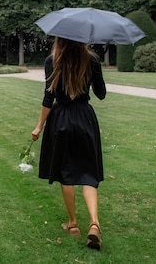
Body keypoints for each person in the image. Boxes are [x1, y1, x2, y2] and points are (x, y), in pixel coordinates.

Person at [31, 37, 107, 250]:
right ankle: (94, 222)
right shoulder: (92, 60)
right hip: (85, 118)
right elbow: (101, 94)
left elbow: (49, 97)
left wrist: (38, 126)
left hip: (61, 119)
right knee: (88, 173)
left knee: (66, 172)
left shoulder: (52, 61)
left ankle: (73, 223)